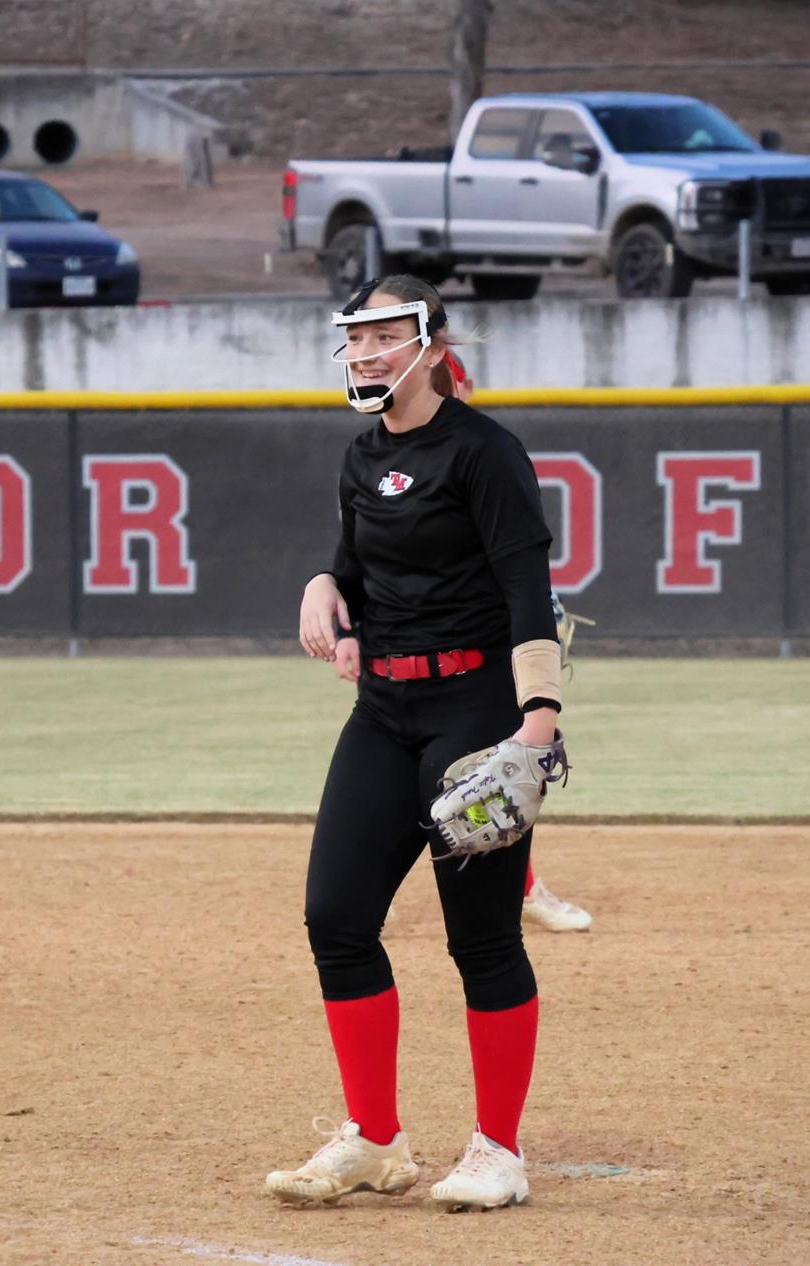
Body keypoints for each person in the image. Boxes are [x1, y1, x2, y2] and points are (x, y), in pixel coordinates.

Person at [267, 275, 561, 1213]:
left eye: (385, 336)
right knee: (336, 917)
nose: (365, 355)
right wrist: (322, 582)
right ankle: (375, 1142)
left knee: (481, 938)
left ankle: (499, 1152)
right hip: (385, 715)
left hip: (475, 711)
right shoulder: (362, 457)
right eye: (355, 340)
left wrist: (538, 723)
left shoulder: (484, 452)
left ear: (431, 345)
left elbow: (528, 588)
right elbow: (356, 566)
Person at [447, 350, 592, 933]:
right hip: (419, 659)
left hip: (484, 658)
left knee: (495, 774)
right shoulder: (392, 464)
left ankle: (521, 888)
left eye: (448, 381)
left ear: (466, 385)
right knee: (455, 783)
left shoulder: (486, 457)